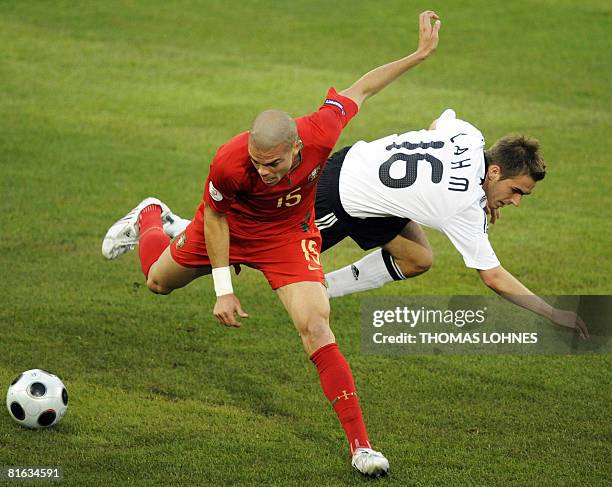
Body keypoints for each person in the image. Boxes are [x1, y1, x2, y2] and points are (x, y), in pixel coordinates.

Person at [102, 11, 442, 477]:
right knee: (157, 282)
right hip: (228, 226)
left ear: (296, 149)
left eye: (274, 164)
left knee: (316, 327)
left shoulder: (320, 132)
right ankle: (150, 217)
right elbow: (218, 218)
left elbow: (361, 88)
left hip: (286, 236)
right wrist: (223, 287)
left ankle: (361, 446)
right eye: (258, 163)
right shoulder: (228, 161)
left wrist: (419, 54)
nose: (264, 171)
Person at [314, 108, 589, 338]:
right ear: (494, 172)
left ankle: (322, 290)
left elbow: (437, 124)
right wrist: (552, 313)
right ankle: (305, 289)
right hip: (337, 195)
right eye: (516, 191)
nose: (516, 201)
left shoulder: (470, 137)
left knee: (416, 258)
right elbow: (493, 277)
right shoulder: (464, 206)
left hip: (360, 167)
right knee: (277, 256)